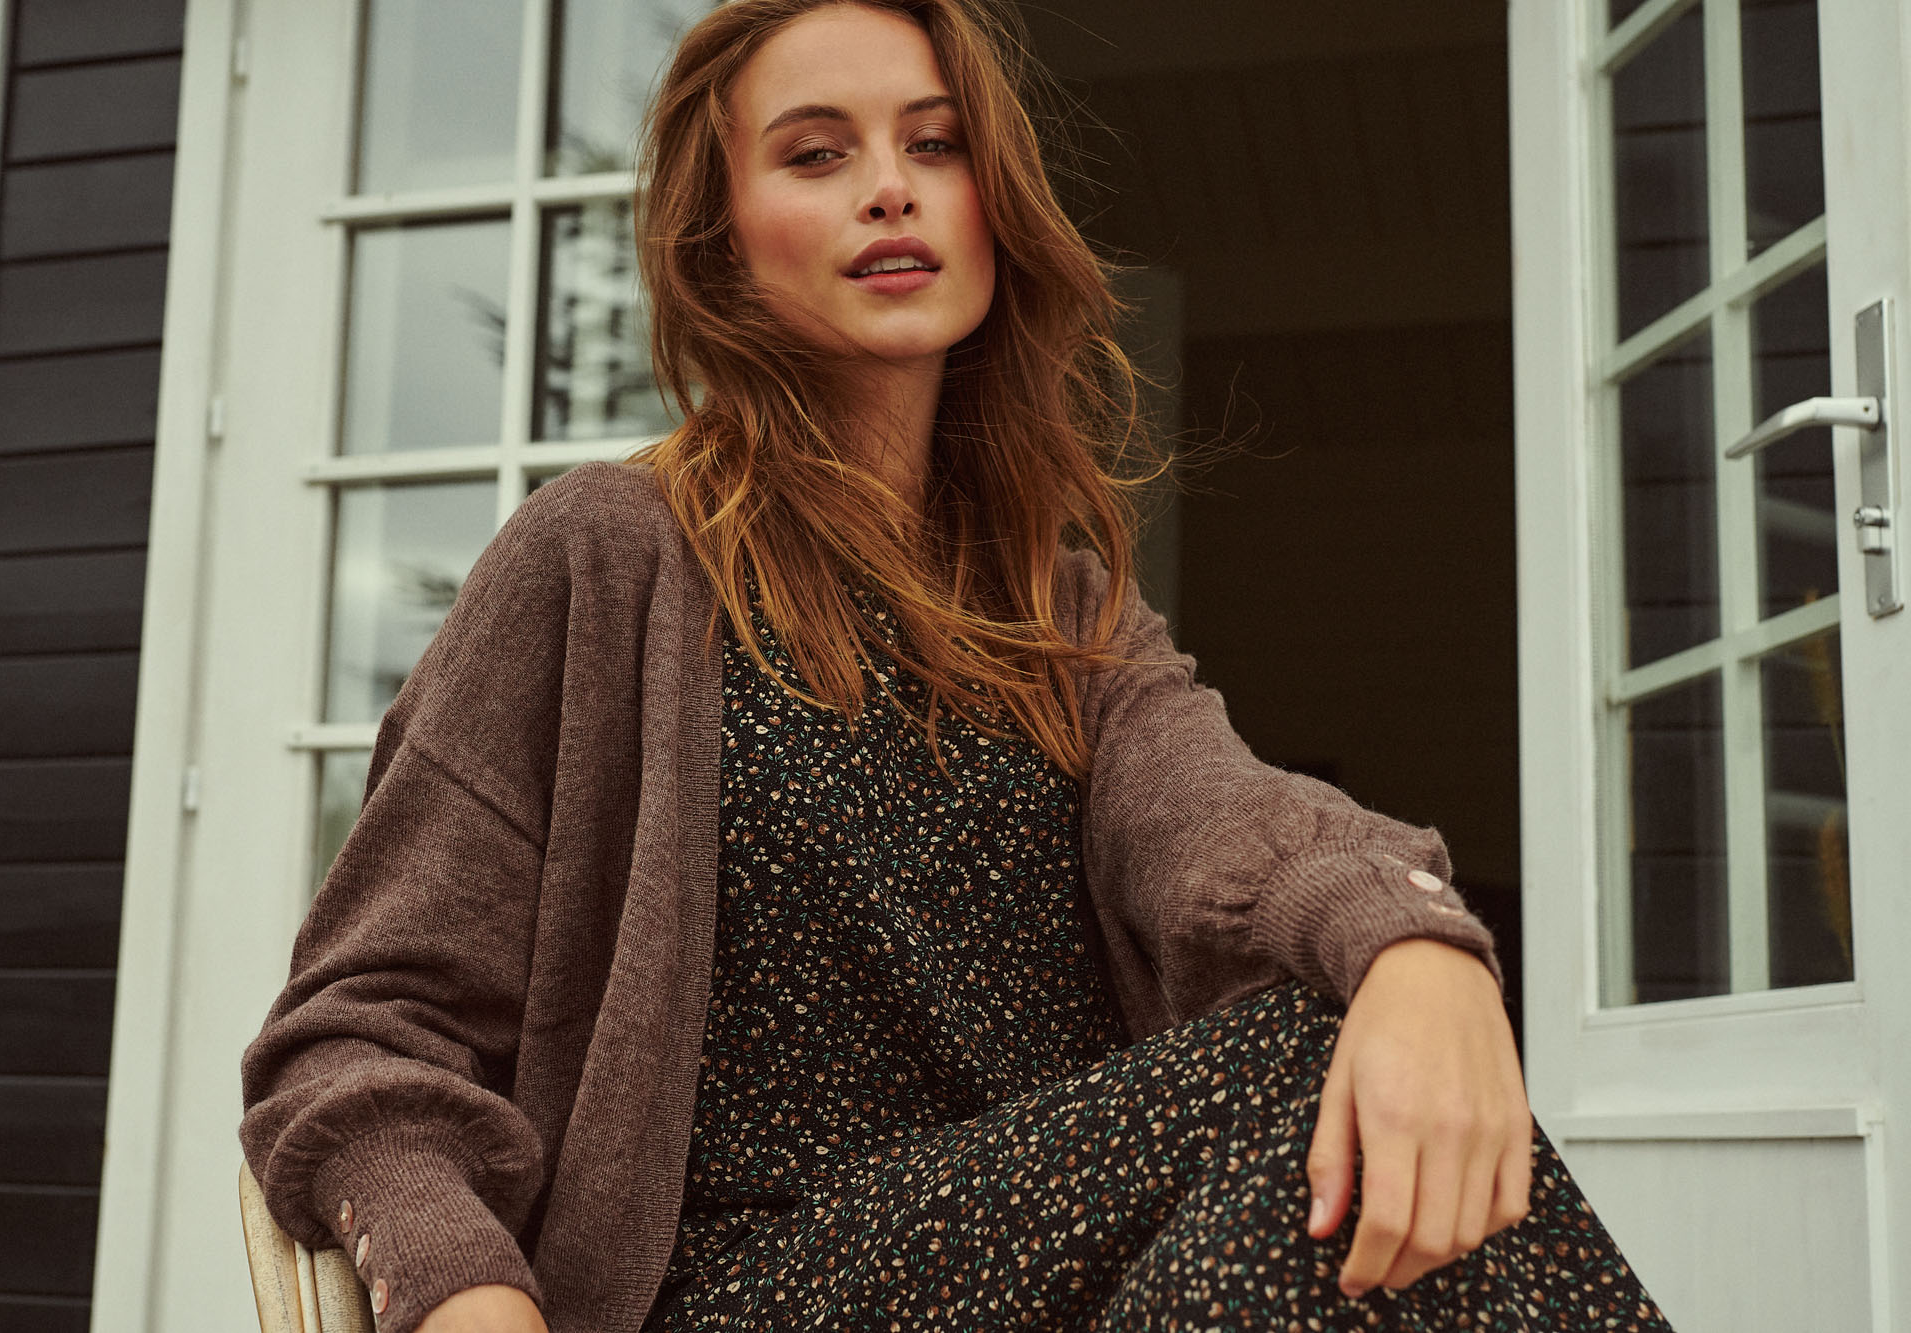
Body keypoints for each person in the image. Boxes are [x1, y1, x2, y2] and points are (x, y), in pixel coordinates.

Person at [240, 2, 1674, 1331]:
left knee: (1350, 1103)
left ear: (996, 208)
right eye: (818, 153)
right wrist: (459, 1292)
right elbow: (360, 1029)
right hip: (745, 1290)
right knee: (1296, 1078)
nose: (892, 186)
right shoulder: (611, 553)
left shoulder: (1064, 612)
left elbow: (1217, 813)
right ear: (720, 237)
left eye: (936, 143)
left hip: (1091, 1282)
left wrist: (1414, 946)